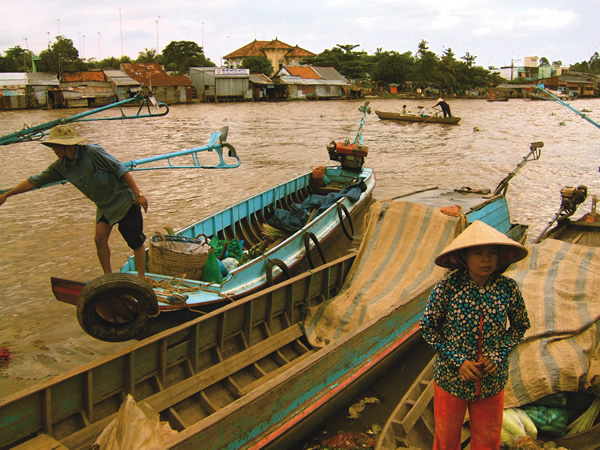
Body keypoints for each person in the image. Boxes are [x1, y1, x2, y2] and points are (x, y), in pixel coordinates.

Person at [419, 220, 530, 449]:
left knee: (489, 439)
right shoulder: (447, 289)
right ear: (464, 258)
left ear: (499, 257)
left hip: (492, 380)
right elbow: (429, 328)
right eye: (478, 253)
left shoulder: (507, 289)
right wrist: (458, 361)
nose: (486, 259)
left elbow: (520, 327)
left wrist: (498, 354)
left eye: (491, 253)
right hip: (451, 379)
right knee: (446, 440)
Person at [0, 125, 149, 279]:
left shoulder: (92, 152)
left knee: (135, 241)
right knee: (99, 239)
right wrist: (7, 195)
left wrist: (138, 193)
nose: (54, 150)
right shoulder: (61, 167)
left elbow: (120, 170)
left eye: (56, 147)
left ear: (68, 146)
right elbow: (34, 181)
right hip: (105, 206)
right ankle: (107, 278)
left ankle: (142, 277)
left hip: (123, 200)